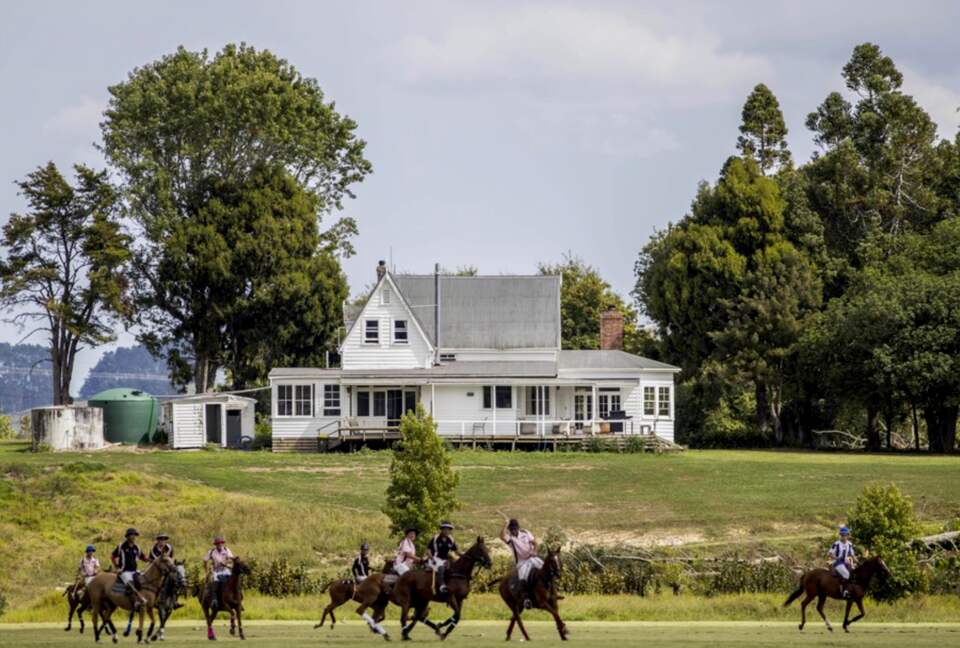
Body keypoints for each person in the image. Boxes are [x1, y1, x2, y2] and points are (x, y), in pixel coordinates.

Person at [500, 514, 542, 609]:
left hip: (531, 558)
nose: (513, 531)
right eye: (511, 529)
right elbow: (502, 536)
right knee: (523, 578)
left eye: (515, 529)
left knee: (545, 569)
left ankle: (552, 590)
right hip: (521, 562)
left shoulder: (525, 533)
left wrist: (534, 551)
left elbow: (535, 543)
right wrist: (505, 525)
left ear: (518, 528)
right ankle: (527, 600)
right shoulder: (510, 538)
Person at [111, 528, 147, 607]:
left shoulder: (137, 547)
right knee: (131, 584)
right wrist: (117, 567)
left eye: (134, 535)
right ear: (127, 537)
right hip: (124, 571)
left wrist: (150, 560)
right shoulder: (121, 546)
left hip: (134, 571)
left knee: (141, 581)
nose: (134, 537)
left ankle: (143, 599)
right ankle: (136, 602)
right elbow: (113, 556)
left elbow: (143, 557)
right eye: (132, 535)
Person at [427, 522, 459, 594]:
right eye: (445, 529)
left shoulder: (451, 539)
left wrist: (463, 556)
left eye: (448, 530)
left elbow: (456, 551)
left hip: (445, 560)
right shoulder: (435, 538)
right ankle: (442, 586)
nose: (447, 531)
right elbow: (428, 550)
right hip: (435, 559)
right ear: (442, 530)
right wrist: (431, 558)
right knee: (441, 567)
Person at [204, 536, 235, 610]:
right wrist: (206, 570)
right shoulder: (211, 552)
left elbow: (232, 559)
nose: (219, 545)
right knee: (215, 583)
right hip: (216, 571)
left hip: (226, 570)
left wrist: (226, 563)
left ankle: (237, 599)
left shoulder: (227, 550)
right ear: (215, 544)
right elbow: (205, 560)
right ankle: (214, 600)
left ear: (222, 543)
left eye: (221, 543)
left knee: (233, 582)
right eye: (218, 543)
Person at [829, 526, 857, 598]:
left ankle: (853, 590)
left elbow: (852, 555)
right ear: (840, 535)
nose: (843, 536)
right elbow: (830, 554)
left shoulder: (849, 544)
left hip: (846, 562)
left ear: (848, 535)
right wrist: (837, 558)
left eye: (845, 535)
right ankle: (845, 591)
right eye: (842, 535)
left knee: (855, 573)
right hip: (837, 563)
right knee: (847, 574)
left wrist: (858, 562)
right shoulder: (836, 544)